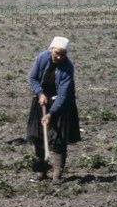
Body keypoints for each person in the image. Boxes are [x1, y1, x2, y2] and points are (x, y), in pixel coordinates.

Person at [27, 37, 81, 185]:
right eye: (57, 53)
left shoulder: (67, 67)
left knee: (57, 139)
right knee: (38, 136)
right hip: (41, 100)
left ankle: (57, 176)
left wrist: (51, 113)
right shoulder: (42, 57)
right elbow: (32, 78)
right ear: (51, 50)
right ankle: (41, 172)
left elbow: (63, 95)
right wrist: (40, 93)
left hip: (61, 104)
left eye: (63, 54)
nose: (59, 57)